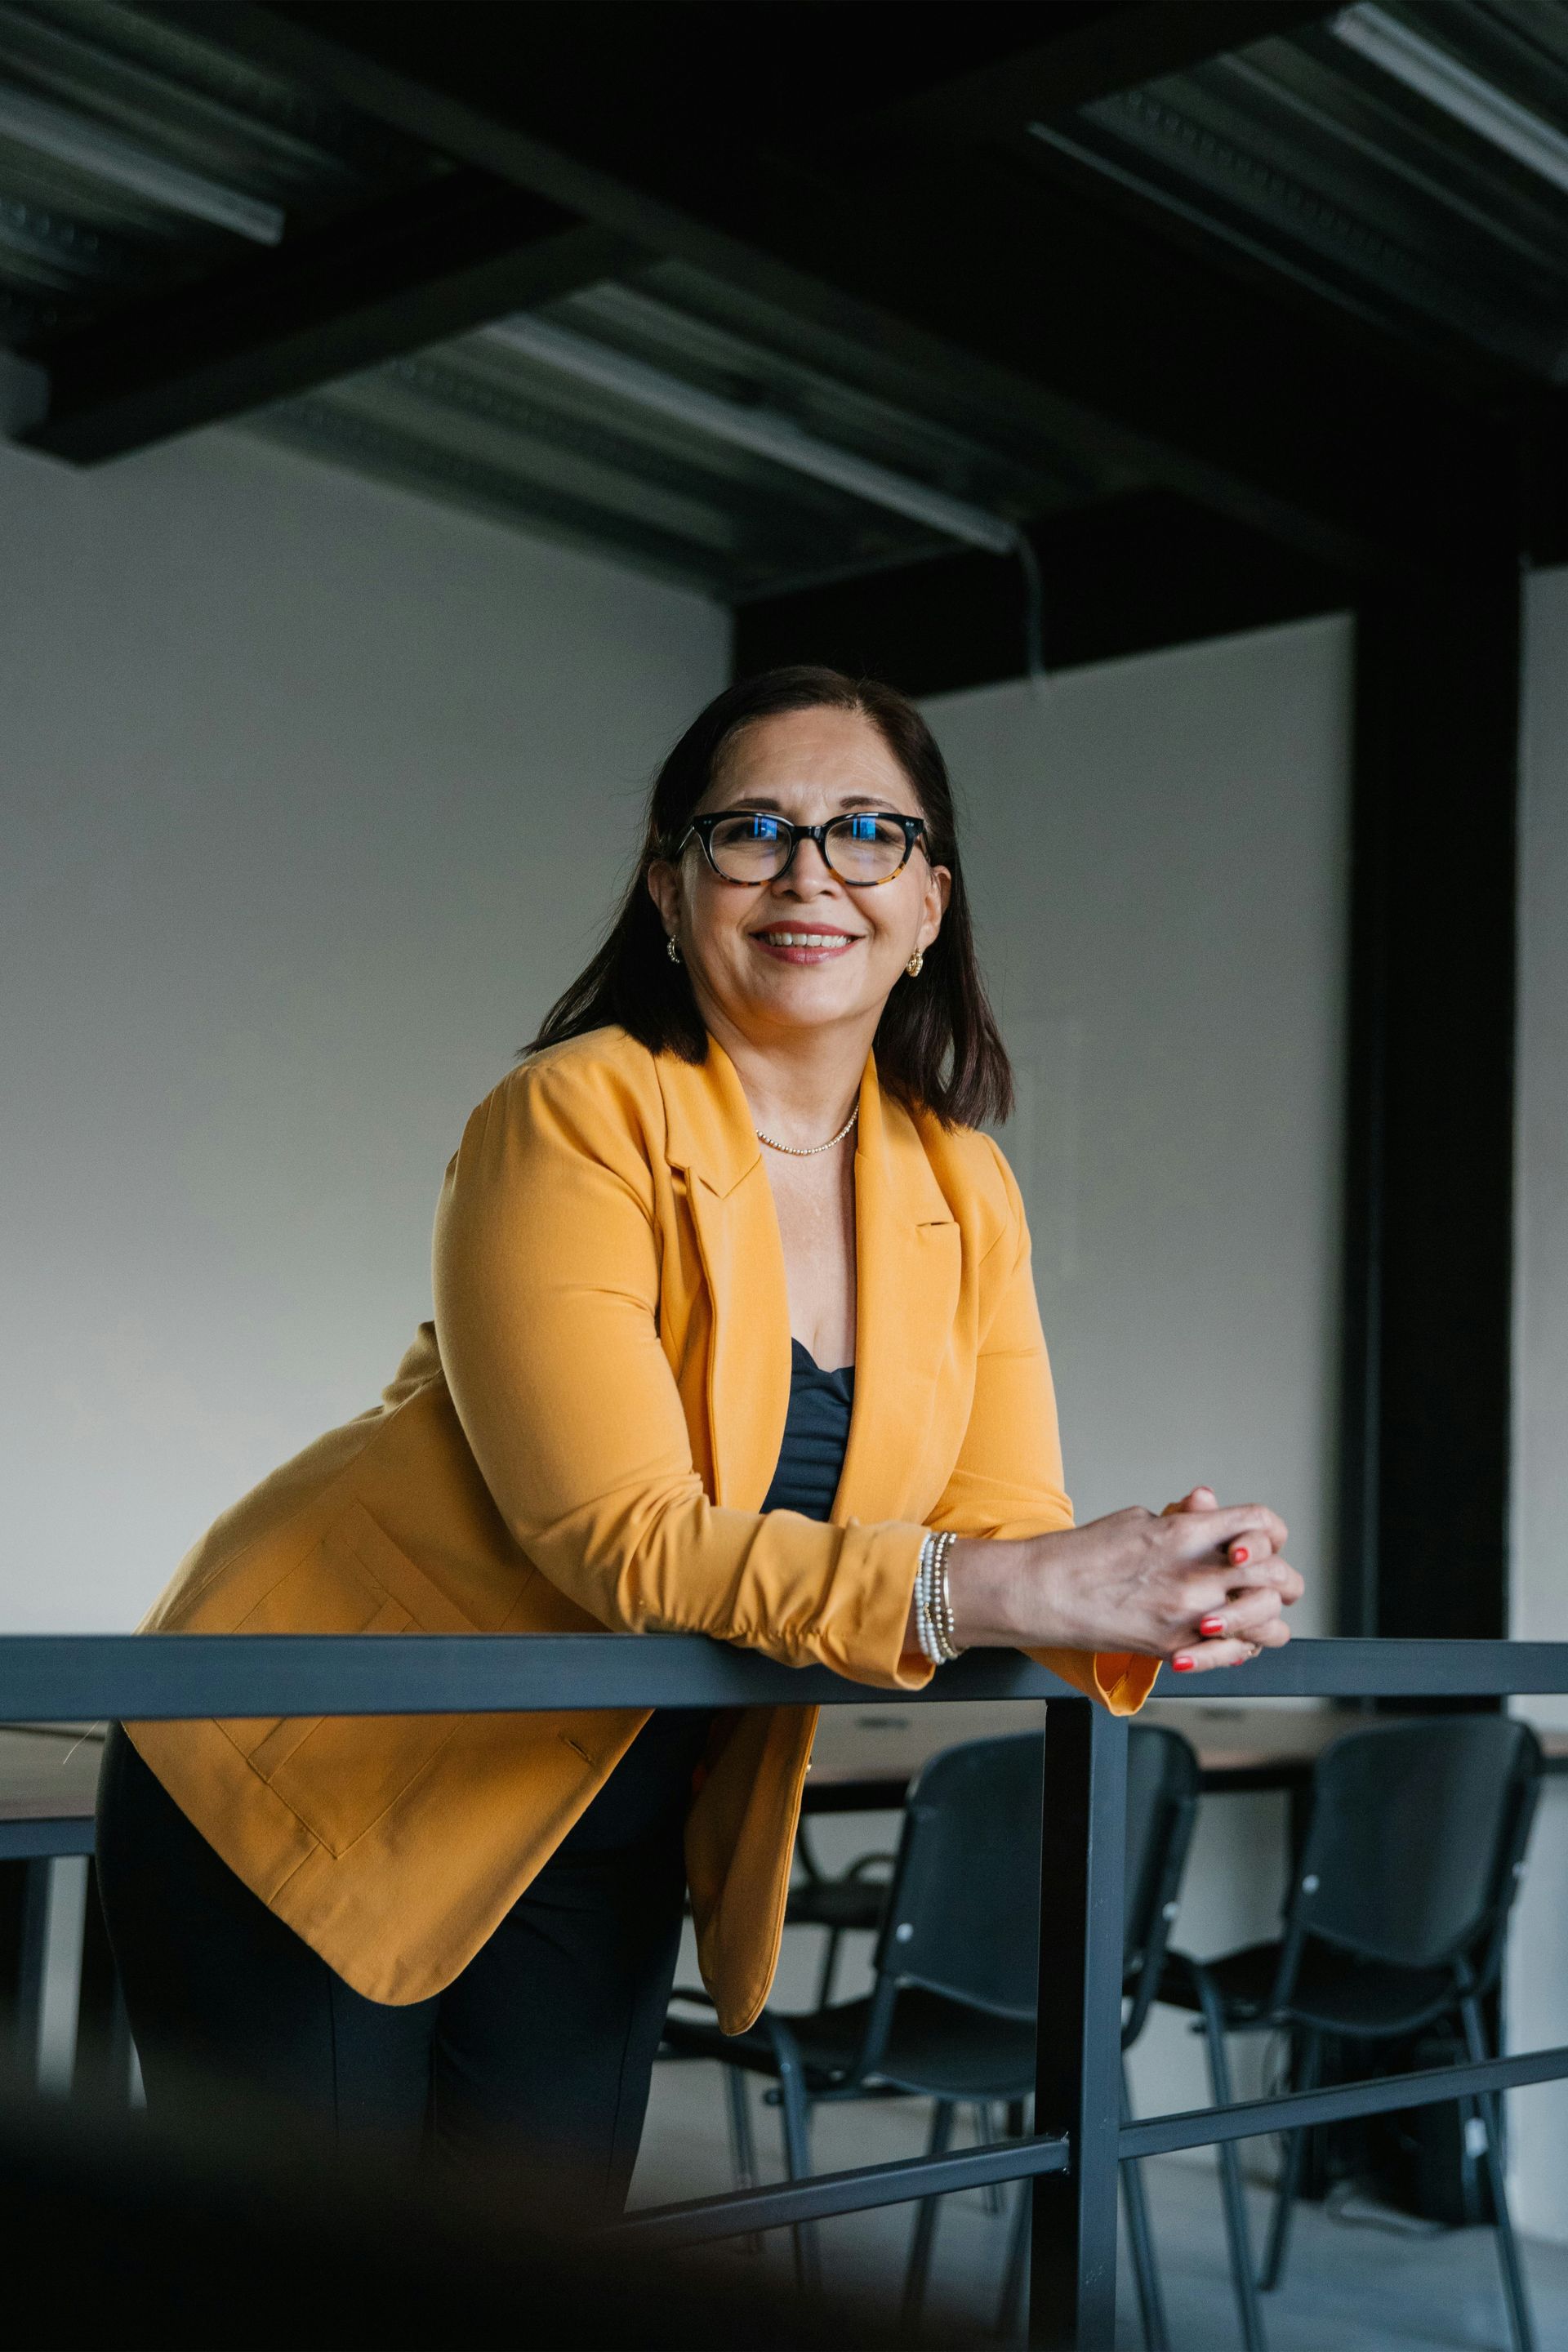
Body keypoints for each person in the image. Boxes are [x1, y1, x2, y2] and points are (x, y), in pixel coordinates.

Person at [96, 666, 1300, 2215]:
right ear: (672, 889)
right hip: (320, 1767)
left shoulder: (962, 1187)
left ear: (930, 904)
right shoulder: (574, 1114)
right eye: (755, 832)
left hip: (604, 1810)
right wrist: (1015, 1591)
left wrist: (1168, 1582)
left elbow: (1001, 1525)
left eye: (871, 831)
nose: (813, 872)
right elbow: (623, 1538)